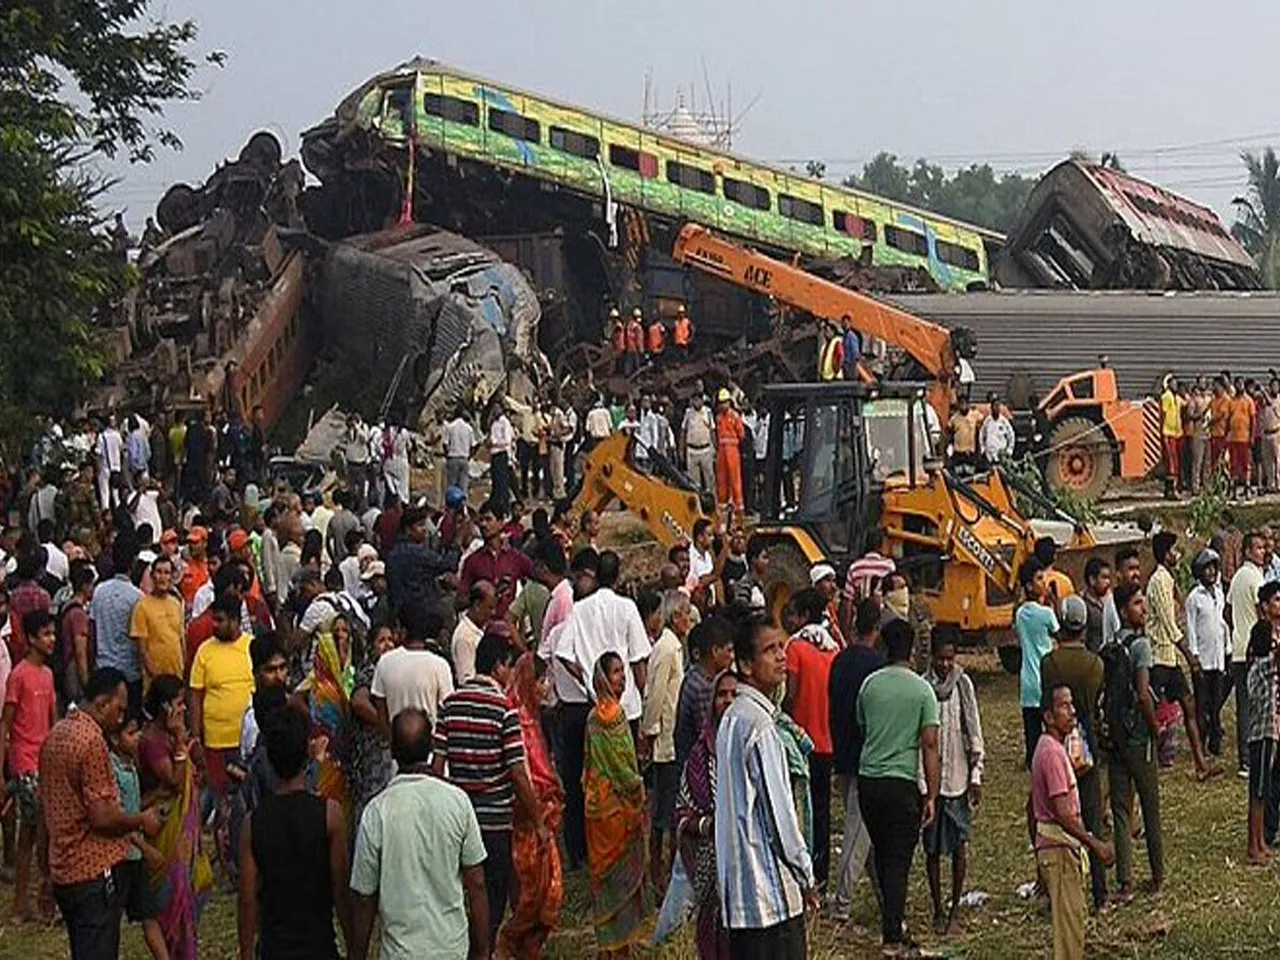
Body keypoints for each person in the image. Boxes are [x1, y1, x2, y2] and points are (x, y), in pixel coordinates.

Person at [39, 667, 162, 960]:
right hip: (92, 870)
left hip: (63, 871)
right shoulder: (92, 741)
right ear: (101, 703)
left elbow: (46, 808)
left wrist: (45, 871)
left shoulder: (56, 734)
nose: (120, 719)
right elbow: (101, 817)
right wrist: (141, 820)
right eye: (118, 710)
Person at [350, 707, 489, 960]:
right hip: (451, 949)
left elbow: (363, 898)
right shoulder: (457, 802)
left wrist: (356, 954)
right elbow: (477, 883)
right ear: (431, 747)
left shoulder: (377, 812)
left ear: (392, 749)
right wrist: (481, 951)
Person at [432, 633, 542, 947]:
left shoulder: (450, 704)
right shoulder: (503, 709)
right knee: (492, 895)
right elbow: (518, 773)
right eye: (508, 667)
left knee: (460, 891)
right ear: (497, 667)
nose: (510, 675)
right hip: (494, 818)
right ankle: (483, 949)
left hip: (457, 816)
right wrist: (537, 821)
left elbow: (439, 764)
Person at [716, 615, 816, 960]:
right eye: (769, 650)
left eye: (781, 647)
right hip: (768, 895)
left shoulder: (733, 716)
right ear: (745, 664)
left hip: (740, 891)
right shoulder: (759, 726)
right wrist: (805, 872)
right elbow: (780, 814)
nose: (781, 657)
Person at [237, 704, 350, 960]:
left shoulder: (253, 824)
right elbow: (341, 891)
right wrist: (355, 947)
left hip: (274, 949)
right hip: (320, 948)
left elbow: (247, 899)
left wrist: (245, 954)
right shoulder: (330, 815)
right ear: (306, 753)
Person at [857, 617, 940, 955]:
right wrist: (932, 795)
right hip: (902, 782)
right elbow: (930, 745)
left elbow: (862, 728)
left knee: (881, 851)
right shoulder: (922, 690)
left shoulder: (870, 685)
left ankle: (893, 920)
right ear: (913, 650)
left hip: (869, 781)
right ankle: (892, 935)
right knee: (898, 860)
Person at [1030, 685, 1115, 960]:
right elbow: (1064, 815)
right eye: (1064, 706)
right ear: (1048, 716)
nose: (1072, 711)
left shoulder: (1049, 748)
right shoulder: (1052, 754)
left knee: (1072, 924)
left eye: (1071, 704)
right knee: (1069, 934)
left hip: (1053, 847)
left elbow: (1029, 806)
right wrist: (1094, 844)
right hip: (1059, 849)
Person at [1040, 596, 1108, 913]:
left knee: (1060, 815)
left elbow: (1046, 701)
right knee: (1091, 814)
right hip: (1088, 745)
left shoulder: (1050, 664)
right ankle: (1100, 892)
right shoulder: (1095, 665)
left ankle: (1058, 889)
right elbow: (1096, 706)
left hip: (1058, 744)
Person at [136, 675, 212, 959]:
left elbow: (200, 767)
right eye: (180, 704)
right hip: (164, 830)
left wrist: (187, 741)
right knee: (169, 898)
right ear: (165, 707)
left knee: (194, 888)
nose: (184, 709)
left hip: (183, 831)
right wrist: (181, 738)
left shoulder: (171, 736)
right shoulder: (152, 741)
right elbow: (176, 782)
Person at [500, 654, 564, 959]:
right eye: (540, 680)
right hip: (527, 820)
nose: (545, 686)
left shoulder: (532, 717)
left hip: (541, 816)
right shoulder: (516, 720)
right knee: (531, 894)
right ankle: (513, 943)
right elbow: (522, 775)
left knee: (547, 891)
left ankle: (528, 945)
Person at [583, 651, 647, 957]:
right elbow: (624, 767)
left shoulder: (593, 717)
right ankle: (620, 946)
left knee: (603, 878)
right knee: (621, 877)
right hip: (618, 811)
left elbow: (588, 765)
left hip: (597, 810)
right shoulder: (615, 717)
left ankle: (609, 945)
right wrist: (637, 789)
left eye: (623, 671)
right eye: (616, 672)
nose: (622, 677)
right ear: (603, 679)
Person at [921, 630, 984, 935]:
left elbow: (973, 730)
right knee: (931, 849)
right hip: (931, 782)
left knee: (959, 845)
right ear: (932, 656)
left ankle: (955, 909)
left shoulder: (963, 684)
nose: (946, 664)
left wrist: (976, 774)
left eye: (951, 658)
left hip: (958, 777)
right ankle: (937, 908)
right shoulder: (923, 687)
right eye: (941, 658)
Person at [1103, 581, 1163, 901]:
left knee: (1121, 810)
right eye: (1138, 604)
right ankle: (1156, 876)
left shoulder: (1111, 644)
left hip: (1116, 737)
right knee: (1150, 807)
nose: (1144, 609)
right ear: (1125, 610)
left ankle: (1124, 883)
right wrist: (1155, 727)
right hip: (1140, 737)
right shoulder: (1141, 647)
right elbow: (1143, 694)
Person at [188, 594, 255, 873]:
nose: (214, 625)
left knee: (248, 803)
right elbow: (195, 696)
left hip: (246, 745)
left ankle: (247, 859)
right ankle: (228, 866)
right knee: (222, 805)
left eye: (220, 620)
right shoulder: (205, 651)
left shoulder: (251, 647)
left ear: (236, 621)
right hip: (216, 741)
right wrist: (196, 738)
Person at [828, 599, 885, 922]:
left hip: (843, 750)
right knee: (857, 833)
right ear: (875, 629)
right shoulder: (876, 666)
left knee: (867, 836)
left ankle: (884, 897)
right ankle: (842, 906)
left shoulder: (840, 661)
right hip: (865, 757)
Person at [673, 669, 736, 960]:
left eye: (735, 694)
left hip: (746, 862)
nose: (728, 700)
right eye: (722, 695)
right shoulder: (700, 755)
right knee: (712, 931)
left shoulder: (753, 745)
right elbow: (682, 810)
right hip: (710, 859)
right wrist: (709, 825)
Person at [1146, 530, 1218, 778]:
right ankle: (1146, 761)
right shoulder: (1159, 581)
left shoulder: (1168, 579)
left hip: (1170, 657)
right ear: (1166, 555)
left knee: (1188, 704)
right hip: (1160, 655)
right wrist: (1188, 654)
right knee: (1150, 712)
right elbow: (1168, 623)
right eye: (1174, 551)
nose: (1177, 554)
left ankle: (1201, 765)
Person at [2, 609, 57, 922]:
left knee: (40, 832)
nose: (51, 639)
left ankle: (36, 899)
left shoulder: (47, 675)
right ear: (32, 638)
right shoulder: (20, 675)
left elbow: (52, 720)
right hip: (24, 761)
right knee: (33, 832)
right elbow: (6, 724)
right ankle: (24, 903)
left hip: (44, 760)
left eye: (52, 633)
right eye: (46, 634)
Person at [783, 588, 838, 893]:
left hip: (801, 742)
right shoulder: (831, 649)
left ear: (803, 615)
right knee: (822, 811)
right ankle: (821, 874)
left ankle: (800, 875)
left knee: (797, 811)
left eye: (792, 613)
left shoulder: (795, 648)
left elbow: (790, 693)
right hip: (827, 743)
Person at [108, 713, 168, 959]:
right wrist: (146, 848)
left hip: (134, 855)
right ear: (114, 738)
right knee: (111, 922)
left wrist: (153, 801)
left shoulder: (130, 765)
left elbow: (133, 806)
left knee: (149, 916)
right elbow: (118, 817)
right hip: (121, 856)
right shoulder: (110, 770)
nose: (137, 738)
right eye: (131, 733)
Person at [641, 590, 688, 892]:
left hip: (671, 735)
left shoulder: (673, 646)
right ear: (675, 617)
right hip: (665, 739)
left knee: (668, 806)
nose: (689, 619)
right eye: (686, 614)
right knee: (663, 809)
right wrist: (650, 731)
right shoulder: (667, 649)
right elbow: (656, 694)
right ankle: (658, 872)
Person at [371, 601, 453, 728]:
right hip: (430, 744)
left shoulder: (385, 662)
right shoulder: (440, 665)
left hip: (396, 743)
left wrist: (391, 740)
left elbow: (381, 712)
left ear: (403, 631)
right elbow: (448, 711)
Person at [1229, 531, 1268, 777]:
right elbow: (1262, 612)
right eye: (1258, 548)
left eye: (1264, 547)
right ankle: (1248, 758)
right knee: (1254, 705)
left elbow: (1227, 609)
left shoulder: (1237, 577)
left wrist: (1238, 629)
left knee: (1245, 703)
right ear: (1246, 551)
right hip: (1253, 649)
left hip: (1239, 647)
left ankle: (1245, 758)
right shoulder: (1255, 579)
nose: (1262, 551)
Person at [91, 536, 144, 714]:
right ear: (134, 562)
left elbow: (92, 631)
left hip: (103, 667)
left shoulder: (99, 591)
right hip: (129, 672)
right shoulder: (137, 597)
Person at [1186, 548, 1230, 761]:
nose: (1211, 572)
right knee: (1202, 704)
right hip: (1202, 659)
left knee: (1216, 703)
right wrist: (1193, 656)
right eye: (1207, 569)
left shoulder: (1219, 593)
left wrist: (1227, 648)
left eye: (1214, 568)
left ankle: (1215, 742)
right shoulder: (1194, 598)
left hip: (1218, 657)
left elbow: (1221, 624)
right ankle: (1201, 745)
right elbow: (1191, 628)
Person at [675, 616, 736, 769]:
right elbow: (708, 733)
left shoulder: (696, 676)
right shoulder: (702, 686)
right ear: (715, 651)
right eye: (728, 650)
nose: (732, 656)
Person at [1245, 610, 1280, 865]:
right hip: (1262, 736)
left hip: (1263, 735)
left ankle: (1259, 842)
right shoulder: (1263, 666)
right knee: (1258, 793)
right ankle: (1254, 845)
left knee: (1261, 791)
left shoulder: (1256, 667)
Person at [1015, 559, 1058, 769]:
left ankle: (1032, 760)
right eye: (1039, 578)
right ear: (1030, 586)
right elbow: (1058, 631)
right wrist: (1053, 603)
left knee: (1031, 728)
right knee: (1050, 723)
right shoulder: (1046, 614)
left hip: (1027, 678)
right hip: (1045, 675)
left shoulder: (1021, 614)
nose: (1044, 582)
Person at [130, 555, 186, 691]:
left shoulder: (176, 603)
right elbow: (142, 651)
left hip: (177, 676)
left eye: (166, 573)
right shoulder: (142, 607)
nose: (162, 577)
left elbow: (181, 639)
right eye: (159, 572)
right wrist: (156, 679)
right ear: (152, 576)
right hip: (155, 682)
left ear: (171, 577)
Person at [451, 580, 495, 685]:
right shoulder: (464, 638)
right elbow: (466, 681)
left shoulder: (481, 629)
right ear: (477, 605)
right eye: (490, 607)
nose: (493, 613)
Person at [714, 390, 745, 512]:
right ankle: (722, 505)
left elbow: (741, 434)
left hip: (732, 450)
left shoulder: (735, 416)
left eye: (725, 402)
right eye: (721, 403)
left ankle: (738, 506)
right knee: (722, 480)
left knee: (735, 479)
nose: (723, 405)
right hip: (722, 451)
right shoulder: (718, 418)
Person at [682, 394, 717, 495]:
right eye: (695, 399)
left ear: (702, 400)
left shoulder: (708, 412)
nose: (697, 401)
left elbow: (712, 431)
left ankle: (713, 504)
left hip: (706, 450)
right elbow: (683, 431)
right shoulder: (688, 413)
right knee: (693, 484)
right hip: (692, 450)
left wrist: (715, 448)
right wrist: (682, 449)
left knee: (710, 481)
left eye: (699, 399)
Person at [1160, 375, 1185, 497]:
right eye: (1173, 384)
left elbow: (1185, 404)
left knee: (1175, 460)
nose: (1175, 386)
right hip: (1168, 432)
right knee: (1171, 461)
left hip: (1177, 432)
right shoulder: (1166, 397)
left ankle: (1171, 489)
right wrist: (1161, 429)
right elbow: (1163, 414)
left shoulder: (1177, 398)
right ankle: (1172, 489)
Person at [1081, 556, 1112, 654]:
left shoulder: (1109, 601)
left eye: (1108, 578)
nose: (1108, 582)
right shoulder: (1084, 606)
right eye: (1104, 578)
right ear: (1092, 580)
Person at [947, 396, 981, 472]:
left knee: (970, 474)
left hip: (970, 453)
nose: (963, 405)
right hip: (958, 453)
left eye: (965, 403)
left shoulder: (975, 415)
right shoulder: (954, 418)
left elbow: (981, 425)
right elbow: (950, 432)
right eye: (961, 403)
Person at [978, 397, 1016, 465]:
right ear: (991, 407)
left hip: (1001, 456)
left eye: (998, 406)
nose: (997, 408)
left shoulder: (1004, 421)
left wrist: (1009, 450)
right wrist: (983, 449)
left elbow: (1011, 436)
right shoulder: (987, 421)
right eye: (995, 405)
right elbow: (981, 435)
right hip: (989, 456)